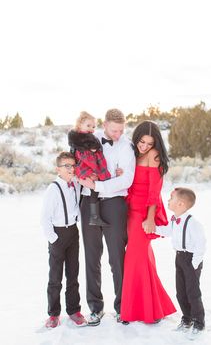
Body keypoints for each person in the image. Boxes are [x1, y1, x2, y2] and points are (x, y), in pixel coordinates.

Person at [79, 109, 136, 326]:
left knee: (117, 258)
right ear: (104, 125)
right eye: (114, 130)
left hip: (114, 204)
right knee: (92, 258)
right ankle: (95, 308)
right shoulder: (87, 140)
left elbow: (127, 179)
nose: (118, 134)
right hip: (88, 203)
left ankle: (122, 307)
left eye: (121, 130)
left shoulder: (126, 146)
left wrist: (99, 184)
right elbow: (77, 167)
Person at [120, 120, 176, 324]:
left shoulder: (154, 156)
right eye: (141, 141)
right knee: (142, 258)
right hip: (129, 208)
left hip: (144, 213)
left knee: (135, 258)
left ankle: (141, 310)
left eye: (149, 143)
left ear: (155, 144)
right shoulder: (133, 153)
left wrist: (150, 218)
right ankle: (150, 307)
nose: (144, 146)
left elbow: (154, 190)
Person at [152, 187, 206, 339]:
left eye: (171, 199)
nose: (168, 201)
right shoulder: (175, 220)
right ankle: (187, 318)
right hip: (179, 258)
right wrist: (153, 228)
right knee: (180, 291)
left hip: (191, 259)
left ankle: (199, 322)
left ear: (181, 204)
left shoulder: (193, 223)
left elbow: (200, 244)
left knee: (193, 293)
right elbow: (167, 231)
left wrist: (195, 264)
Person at [40, 152, 86, 328]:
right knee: (55, 277)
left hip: (73, 233)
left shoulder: (75, 184)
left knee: (73, 274)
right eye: (67, 166)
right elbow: (45, 218)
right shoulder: (53, 189)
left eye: (73, 165)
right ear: (58, 169)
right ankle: (53, 314)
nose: (71, 169)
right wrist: (53, 239)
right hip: (58, 235)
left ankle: (74, 310)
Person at [68, 111, 112, 227]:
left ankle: (94, 215)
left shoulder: (88, 138)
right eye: (88, 126)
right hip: (82, 167)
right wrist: (94, 170)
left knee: (94, 188)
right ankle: (94, 216)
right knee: (93, 186)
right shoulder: (79, 139)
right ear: (79, 125)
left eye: (93, 126)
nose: (91, 129)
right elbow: (83, 156)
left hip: (85, 166)